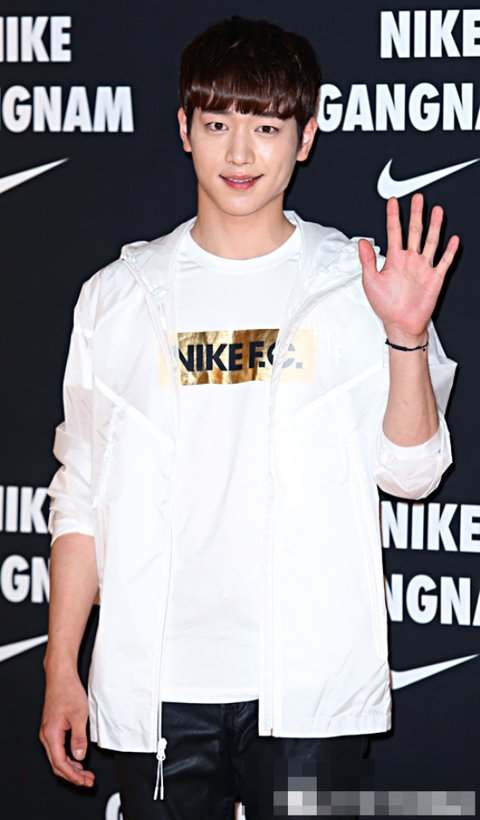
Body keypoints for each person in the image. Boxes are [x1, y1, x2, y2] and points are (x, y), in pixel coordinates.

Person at [39, 15, 458, 820]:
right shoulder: (117, 296)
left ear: (305, 138)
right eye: (217, 124)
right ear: (183, 129)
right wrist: (61, 666)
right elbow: (81, 496)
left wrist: (405, 337)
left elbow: (412, 473)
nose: (239, 153)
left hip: (309, 696)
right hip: (155, 694)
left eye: (265, 127)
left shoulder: (358, 284)